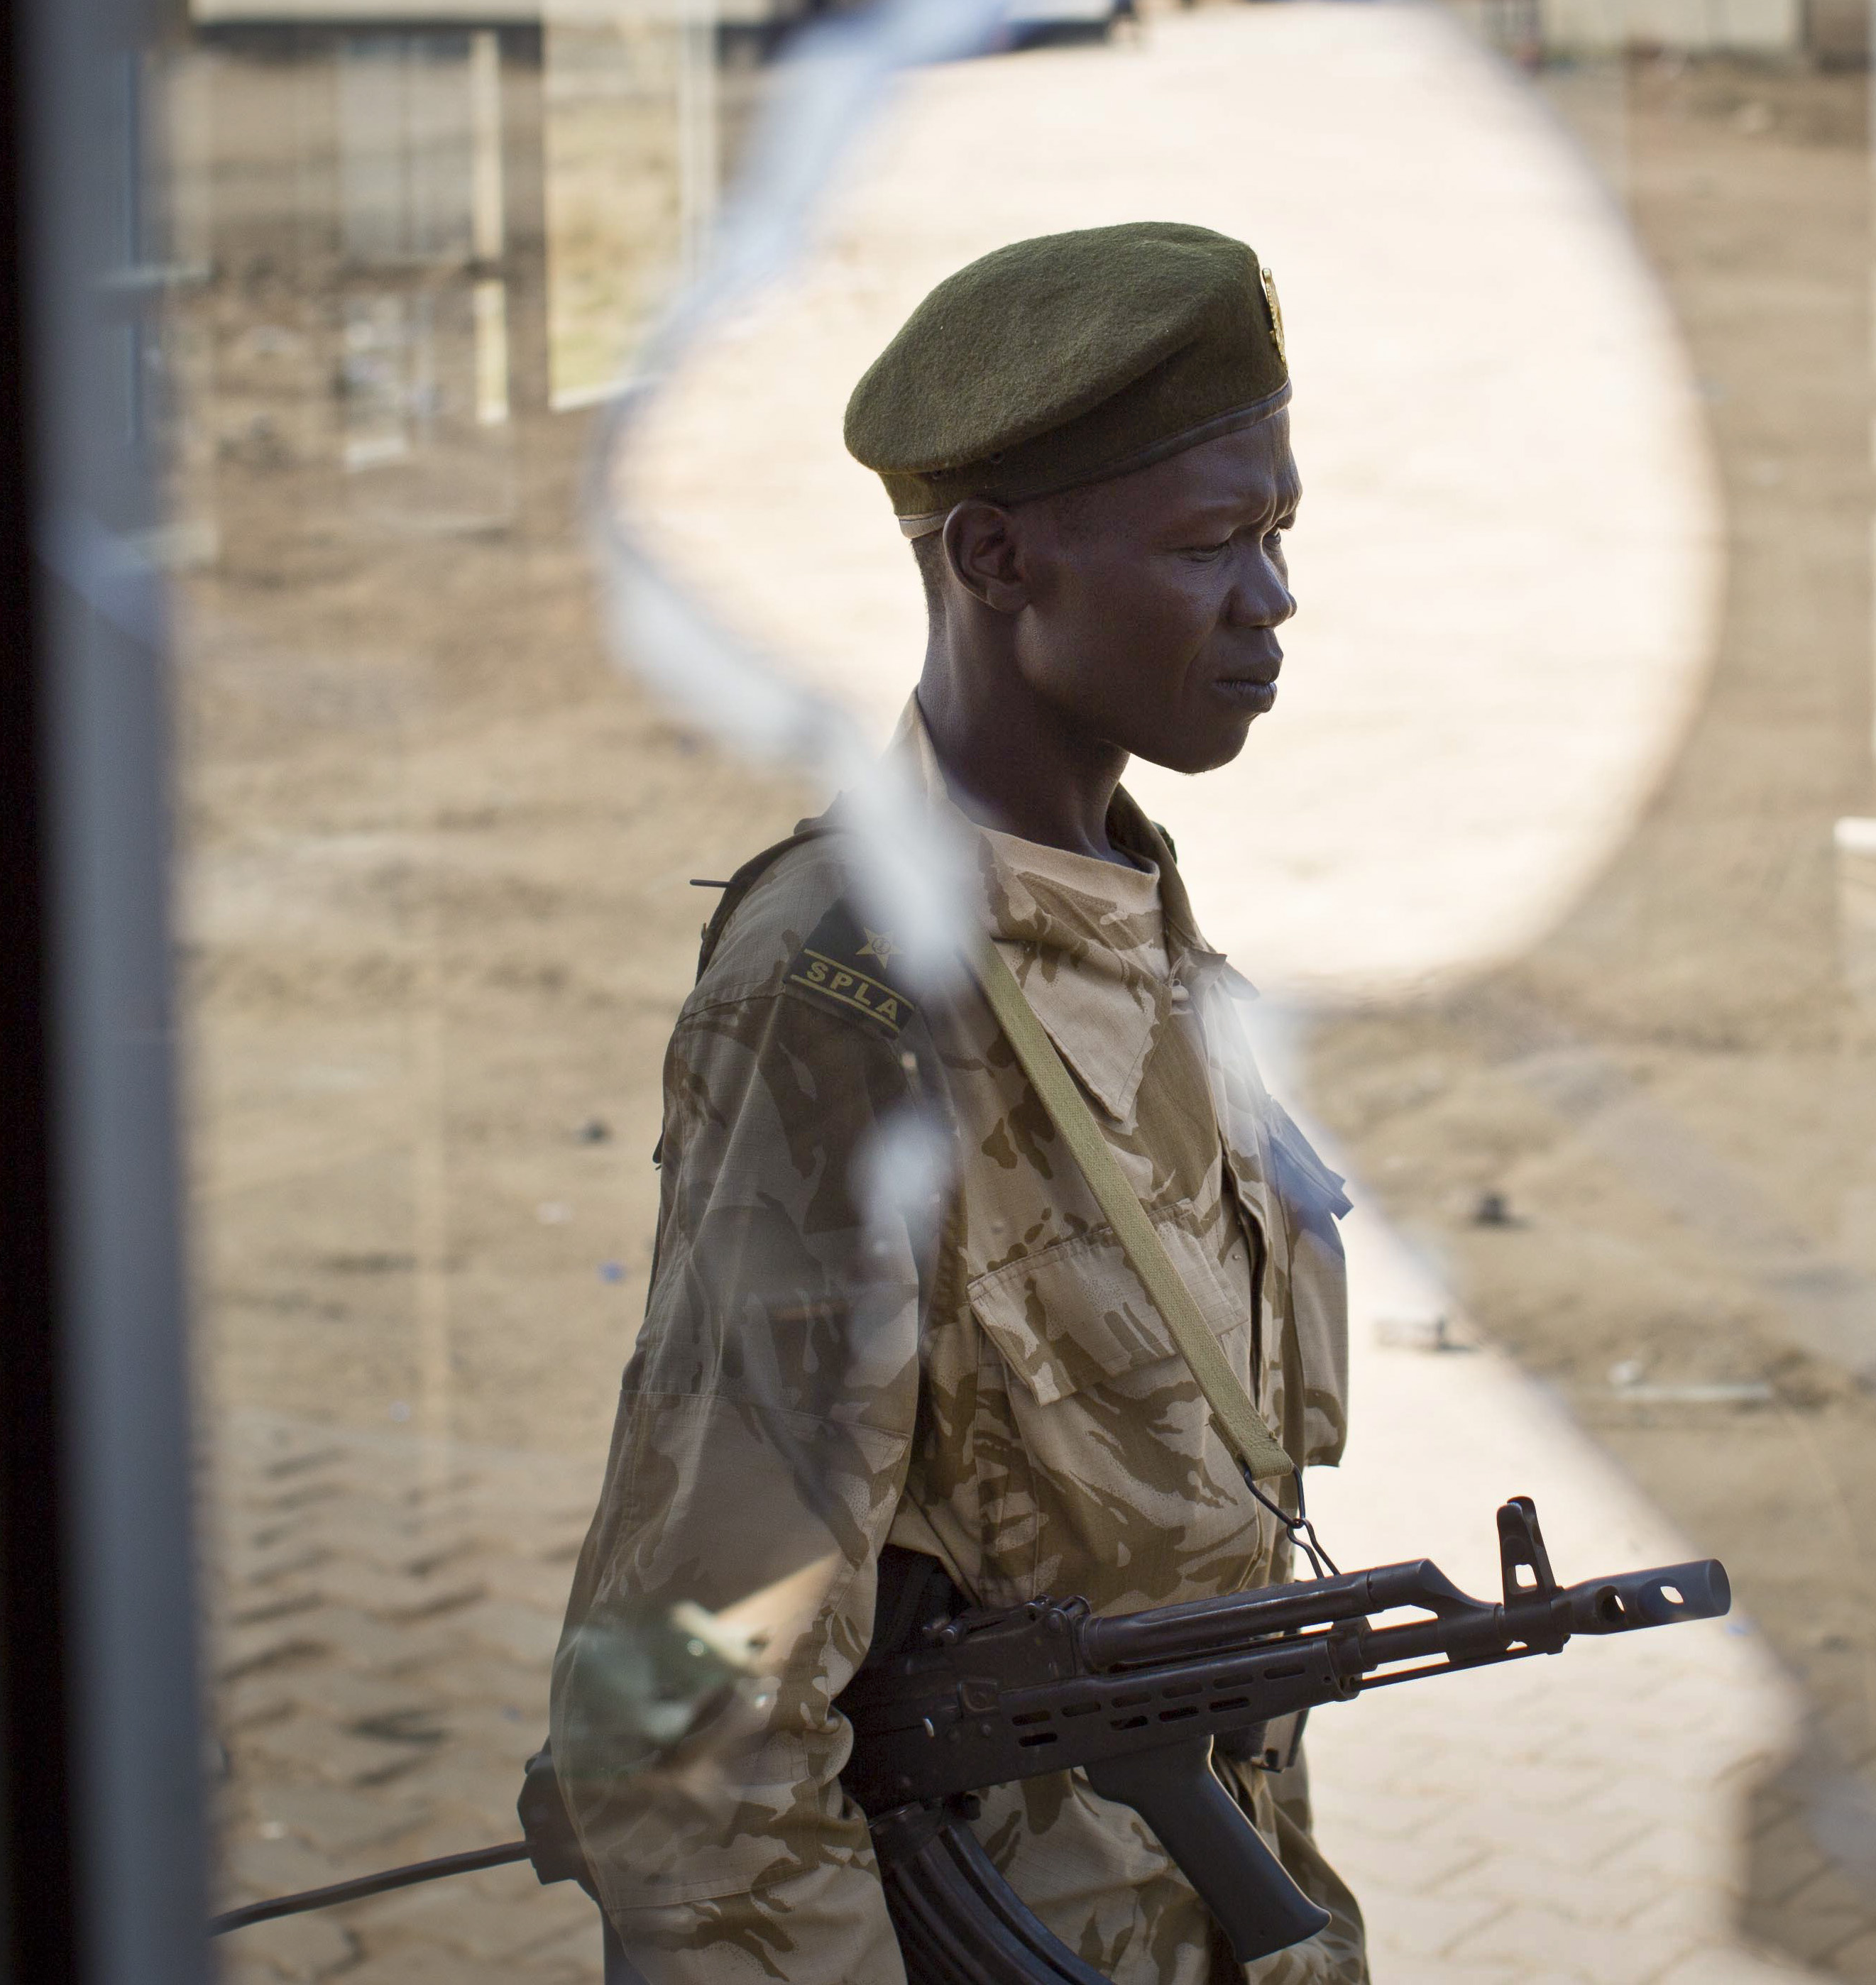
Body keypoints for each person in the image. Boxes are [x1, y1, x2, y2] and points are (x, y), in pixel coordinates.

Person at [551, 223, 1366, 1984]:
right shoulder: (846, 995)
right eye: (1210, 540)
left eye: (1278, 527)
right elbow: (689, 1705)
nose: (1272, 594)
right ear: (995, 556)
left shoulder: (1113, 898)